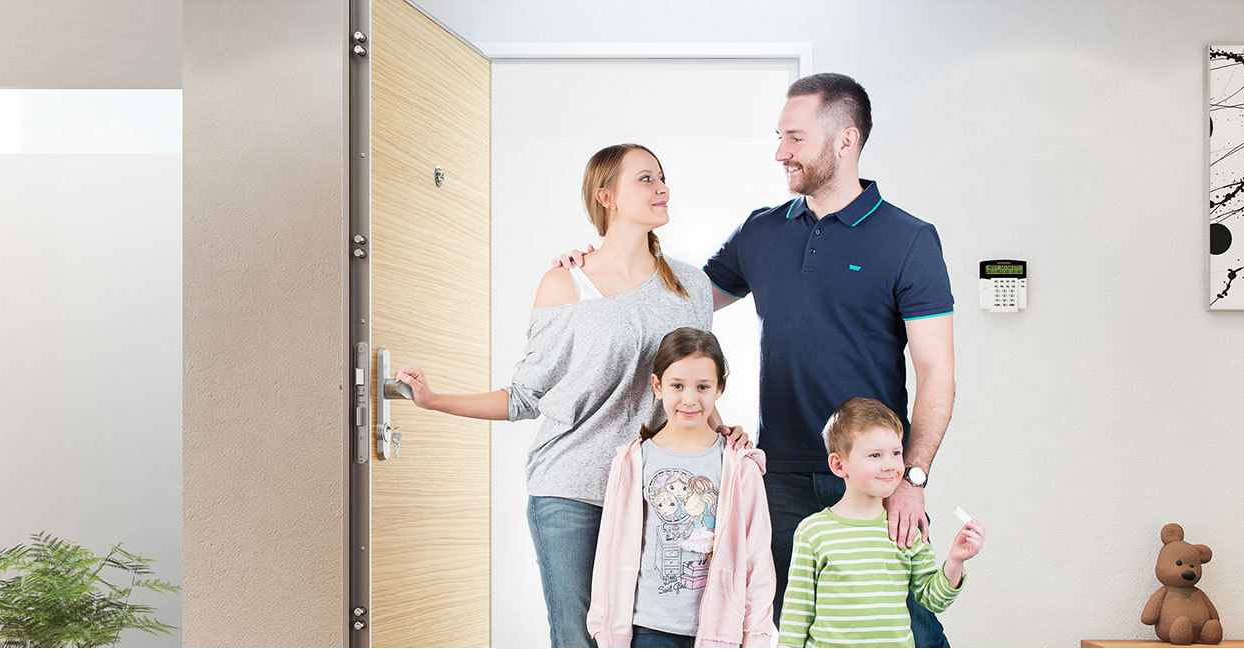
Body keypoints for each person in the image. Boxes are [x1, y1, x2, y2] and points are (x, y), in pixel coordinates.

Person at [563, 72, 960, 646]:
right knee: (794, 629)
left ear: (845, 140)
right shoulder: (762, 231)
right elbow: (680, 299)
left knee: (907, 628)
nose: (780, 152)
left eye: (794, 138)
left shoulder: (909, 239)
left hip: (875, 473)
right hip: (782, 477)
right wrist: (597, 264)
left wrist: (911, 478)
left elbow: (937, 374)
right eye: (780, 137)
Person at [395, 143, 718, 647]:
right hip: (572, 490)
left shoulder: (691, 286)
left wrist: (723, 436)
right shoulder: (565, 284)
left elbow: (695, 385)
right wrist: (435, 400)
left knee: (657, 637)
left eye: (662, 178)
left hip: (657, 488)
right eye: (646, 179)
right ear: (605, 195)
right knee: (577, 638)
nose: (662, 188)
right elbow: (526, 396)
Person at [587, 328, 776, 648]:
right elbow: (610, 549)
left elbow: (757, 558)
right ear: (657, 386)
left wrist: (756, 635)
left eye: (703, 386)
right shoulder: (633, 460)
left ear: (719, 389)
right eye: (677, 385)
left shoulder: (741, 466)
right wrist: (607, 628)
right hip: (648, 629)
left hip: (720, 633)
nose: (690, 399)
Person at [776, 398, 985, 648]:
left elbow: (934, 600)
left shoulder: (905, 529)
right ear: (839, 465)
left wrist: (955, 560)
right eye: (875, 455)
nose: (889, 466)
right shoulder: (812, 532)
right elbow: (797, 614)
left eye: (896, 453)